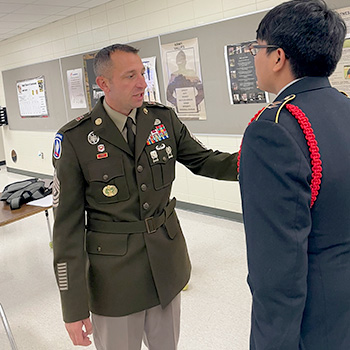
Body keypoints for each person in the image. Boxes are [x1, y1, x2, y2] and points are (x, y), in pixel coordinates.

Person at [52, 43, 238, 350]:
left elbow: (205, 160)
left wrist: (258, 163)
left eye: (143, 73)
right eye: (130, 76)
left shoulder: (162, 119)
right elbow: (66, 231)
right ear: (104, 84)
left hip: (166, 263)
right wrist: (73, 308)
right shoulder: (75, 140)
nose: (143, 83)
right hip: (115, 279)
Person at [238, 1, 350, 349]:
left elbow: (277, 269)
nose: (254, 57)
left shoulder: (275, 129)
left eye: (256, 48)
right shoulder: (344, 108)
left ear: (277, 57)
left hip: (317, 316)